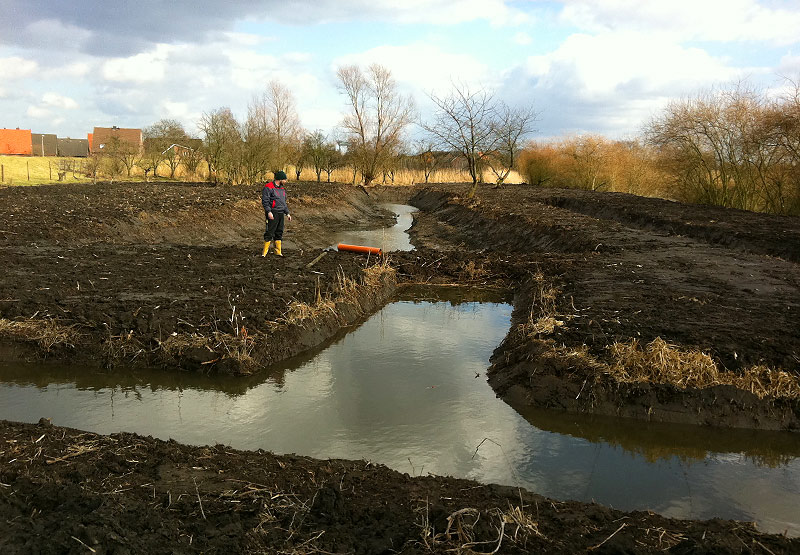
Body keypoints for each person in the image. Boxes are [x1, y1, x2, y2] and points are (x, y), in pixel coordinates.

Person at [261, 170, 292, 257]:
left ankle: (278, 252)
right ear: (280, 179)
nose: (286, 181)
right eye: (285, 179)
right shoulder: (268, 187)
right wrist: (269, 212)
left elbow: (283, 203)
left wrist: (287, 213)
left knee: (279, 232)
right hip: (272, 212)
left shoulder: (282, 189)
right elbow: (265, 201)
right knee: (270, 232)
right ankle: (264, 252)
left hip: (281, 212)